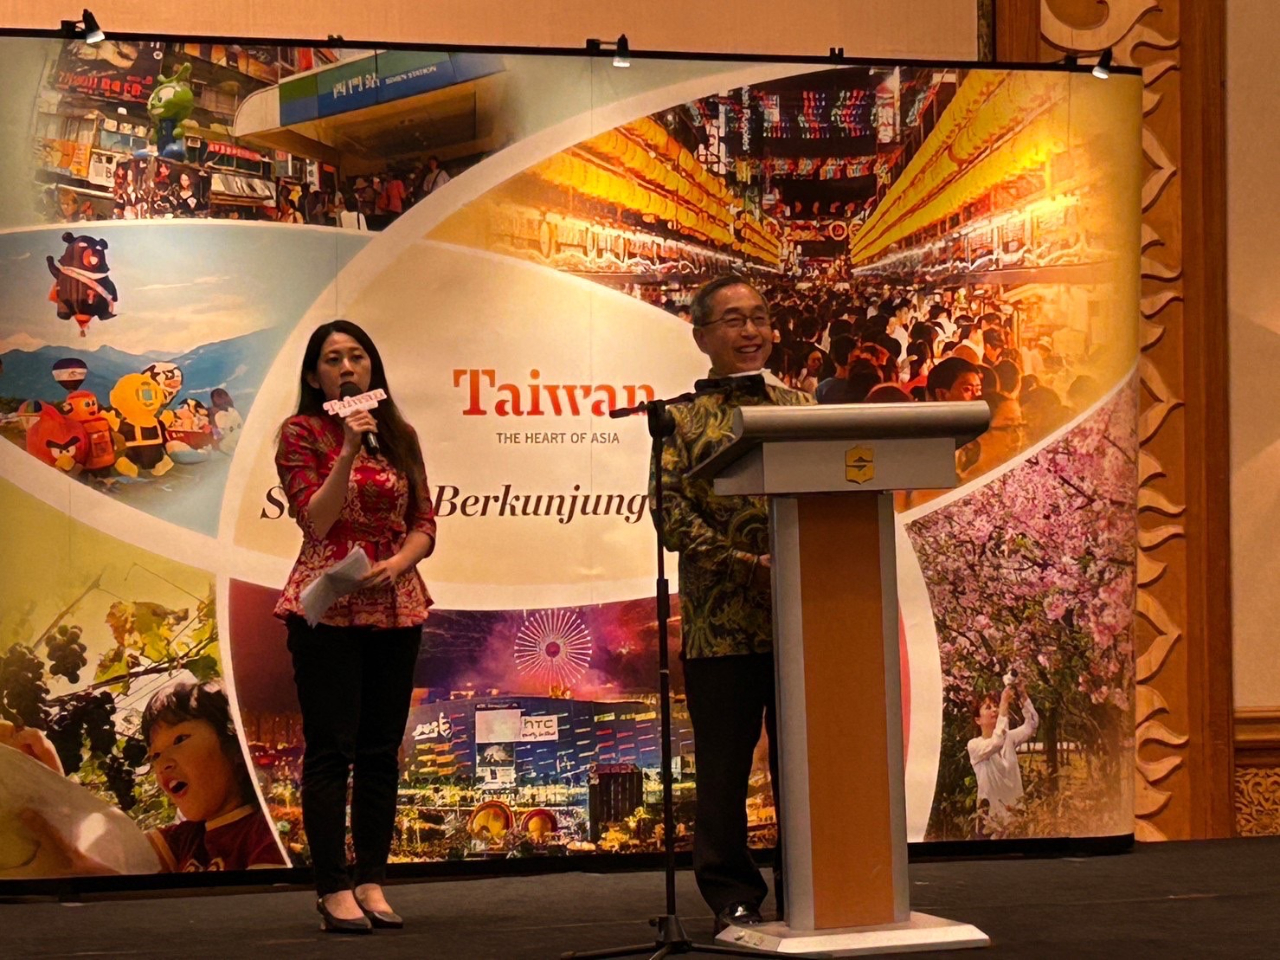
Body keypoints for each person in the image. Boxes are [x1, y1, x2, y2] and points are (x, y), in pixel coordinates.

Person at [651, 275, 813, 933]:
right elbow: (672, 516)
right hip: (719, 626)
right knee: (723, 768)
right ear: (701, 337)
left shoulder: (803, 407)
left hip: (803, 618)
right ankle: (732, 896)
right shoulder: (681, 420)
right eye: (734, 320)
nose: (751, 331)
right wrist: (748, 566)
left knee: (807, 765)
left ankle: (813, 886)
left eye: (760, 317)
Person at [274, 319, 438, 934]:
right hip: (328, 605)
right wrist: (346, 448)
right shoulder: (301, 433)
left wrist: (399, 561)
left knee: (379, 751)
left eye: (357, 357)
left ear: (373, 368)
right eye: (333, 359)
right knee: (331, 748)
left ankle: (371, 878)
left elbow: (424, 521)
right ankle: (332, 887)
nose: (347, 368)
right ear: (314, 375)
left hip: (395, 601)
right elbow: (315, 520)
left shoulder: (400, 434)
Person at [967, 680, 1039, 837]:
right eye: (988, 707)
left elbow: (1032, 724)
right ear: (978, 720)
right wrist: (1004, 703)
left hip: (1016, 818)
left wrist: (1022, 695)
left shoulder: (1009, 738)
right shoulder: (975, 746)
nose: (994, 709)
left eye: (995, 706)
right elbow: (996, 742)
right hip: (990, 823)